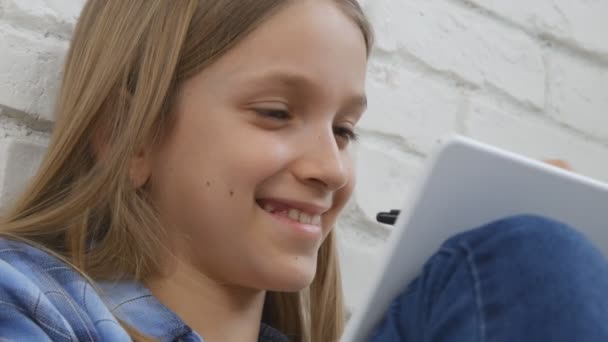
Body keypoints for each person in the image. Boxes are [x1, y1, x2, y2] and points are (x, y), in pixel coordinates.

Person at [0, 1, 607, 341]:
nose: (330, 169)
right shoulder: (29, 302)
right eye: (276, 113)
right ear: (124, 135)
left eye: (344, 130)